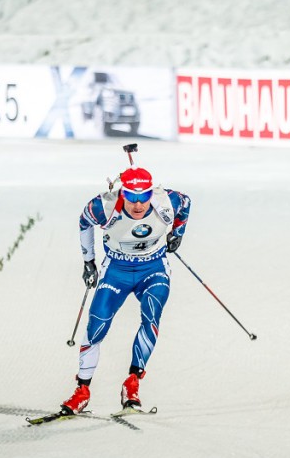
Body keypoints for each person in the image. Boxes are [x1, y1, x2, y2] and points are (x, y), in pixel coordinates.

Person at [60, 164, 191, 415]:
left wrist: (178, 233)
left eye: (144, 197)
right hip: (116, 271)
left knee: (151, 315)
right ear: (123, 193)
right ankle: (82, 391)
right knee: (97, 324)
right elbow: (84, 221)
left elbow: (186, 203)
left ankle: (132, 384)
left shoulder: (167, 201)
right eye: (131, 196)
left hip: (153, 269)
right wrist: (88, 261)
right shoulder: (104, 206)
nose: (138, 204)